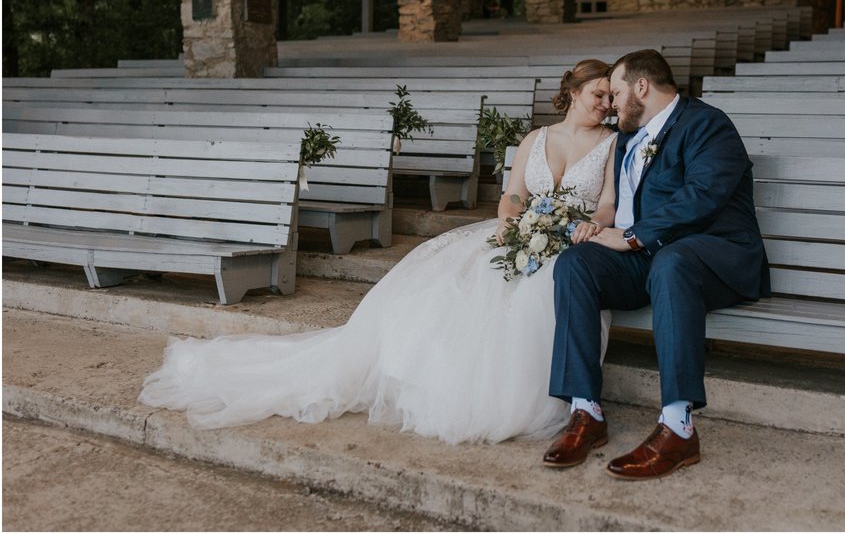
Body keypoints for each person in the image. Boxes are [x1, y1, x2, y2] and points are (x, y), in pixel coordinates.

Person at [139, 59, 619, 445]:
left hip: (573, 242)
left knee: (531, 296)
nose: (605, 103)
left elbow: (608, 204)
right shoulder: (536, 138)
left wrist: (588, 227)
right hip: (518, 234)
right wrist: (509, 225)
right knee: (443, 285)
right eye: (598, 93)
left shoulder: (613, 143)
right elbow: (513, 195)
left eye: (609, 96)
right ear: (573, 92)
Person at [543, 49, 770, 479]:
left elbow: (702, 196)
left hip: (713, 258)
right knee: (576, 264)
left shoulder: (708, 125)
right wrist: (601, 232)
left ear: (641, 87)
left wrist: (631, 236)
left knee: (673, 260)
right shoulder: (629, 136)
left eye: (616, 93)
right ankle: (585, 411)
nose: (610, 104)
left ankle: (678, 427)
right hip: (650, 260)